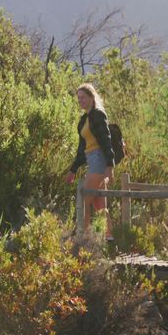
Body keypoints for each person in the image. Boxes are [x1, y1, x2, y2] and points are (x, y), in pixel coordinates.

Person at [66, 83, 115, 238]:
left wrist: (110, 165)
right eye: (78, 98)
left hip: (99, 159)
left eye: (83, 97)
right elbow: (82, 148)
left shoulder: (98, 115)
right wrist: (73, 168)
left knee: (85, 200)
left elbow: (107, 141)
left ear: (92, 97)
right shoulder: (84, 120)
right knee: (99, 205)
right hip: (91, 158)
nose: (80, 100)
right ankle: (110, 239)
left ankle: (84, 240)